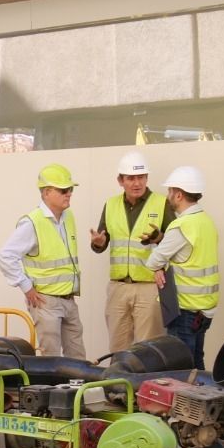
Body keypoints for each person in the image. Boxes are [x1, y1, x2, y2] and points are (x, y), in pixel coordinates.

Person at [0, 163, 86, 359]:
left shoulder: (68, 217)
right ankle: (51, 390)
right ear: (47, 192)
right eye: (63, 190)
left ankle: (76, 390)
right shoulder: (32, 222)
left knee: (78, 357)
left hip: (69, 299)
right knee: (51, 359)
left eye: (70, 189)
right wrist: (26, 287)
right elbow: (6, 256)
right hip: (46, 302)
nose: (69, 194)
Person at [89, 151, 171, 354]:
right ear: (121, 180)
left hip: (149, 287)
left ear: (147, 178)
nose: (137, 183)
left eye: (141, 177)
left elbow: (174, 242)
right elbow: (102, 240)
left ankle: (145, 386)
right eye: (131, 178)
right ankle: (118, 386)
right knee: (118, 349)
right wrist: (99, 243)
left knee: (148, 349)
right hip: (118, 288)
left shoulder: (162, 204)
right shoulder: (111, 205)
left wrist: (159, 237)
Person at [145, 166, 218, 369]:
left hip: (184, 310)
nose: (168, 196)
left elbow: (153, 261)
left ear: (178, 195)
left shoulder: (182, 226)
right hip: (204, 309)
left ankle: (187, 403)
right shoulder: (206, 221)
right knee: (196, 364)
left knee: (181, 369)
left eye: (169, 192)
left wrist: (158, 266)